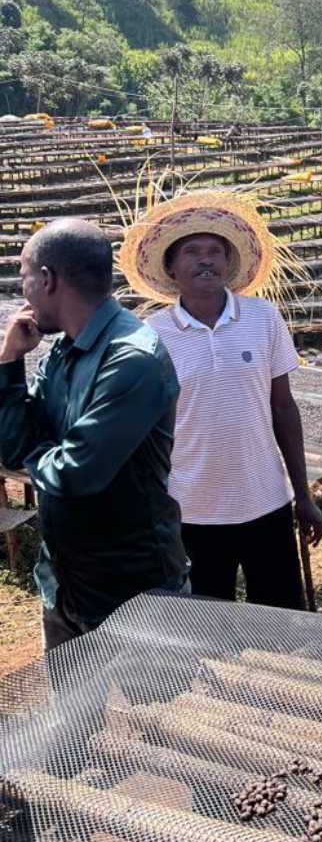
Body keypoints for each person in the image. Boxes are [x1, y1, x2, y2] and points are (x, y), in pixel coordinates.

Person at [119, 190, 322, 609]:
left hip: (266, 501)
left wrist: (303, 496)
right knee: (207, 625)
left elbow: (283, 408)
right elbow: (143, 432)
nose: (206, 260)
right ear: (171, 268)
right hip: (192, 511)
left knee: (283, 619)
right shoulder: (152, 336)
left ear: (229, 263)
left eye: (215, 251)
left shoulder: (263, 318)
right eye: (192, 252)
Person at [0, 218, 188, 650]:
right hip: (65, 585)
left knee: (149, 696)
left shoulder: (132, 360)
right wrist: (8, 362)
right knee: (70, 697)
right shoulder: (64, 349)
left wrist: (37, 450)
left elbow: (74, 475)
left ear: (47, 279)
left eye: (24, 277)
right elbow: (10, 449)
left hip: (135, 595)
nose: (23, 292)